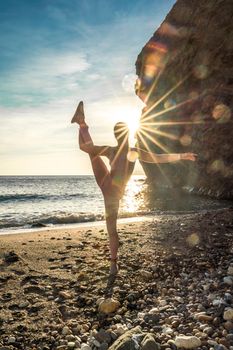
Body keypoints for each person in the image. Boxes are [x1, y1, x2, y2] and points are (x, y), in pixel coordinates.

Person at [71, 101, 197, 275]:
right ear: (128, 134)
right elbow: (158, 158)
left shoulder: (111, 150)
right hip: (113, 193)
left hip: (106, 184)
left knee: (91, 152)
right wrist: (182, 155)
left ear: (115, 136)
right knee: (112, 231)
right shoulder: (134, 152)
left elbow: (83, 147)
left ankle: (82, 123)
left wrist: (80, 129)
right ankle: (113, 264)